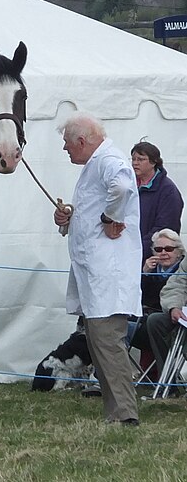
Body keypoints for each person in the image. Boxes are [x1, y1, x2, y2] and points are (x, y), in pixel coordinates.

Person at [53, 112, 141, 426]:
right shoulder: (96, 163)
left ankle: (124, 414)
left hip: (108, 275)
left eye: (67, 144)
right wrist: (70, 217)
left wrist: (108, 218)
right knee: (98, 343)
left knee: (107, 344)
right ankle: (115, 412)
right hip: (95, 276)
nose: (65, 150)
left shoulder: (109, 160)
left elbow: (123, 188)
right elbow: (100, 202)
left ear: (81, 141)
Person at [127, 229, 185, 380]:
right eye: (158, 249)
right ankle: (108, 379)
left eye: (169, 249)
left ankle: (166, 380)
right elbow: (131, 297)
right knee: (114, 326)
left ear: (179, 252)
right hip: (142, 320)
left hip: (165, 323)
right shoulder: (149, 269)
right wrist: (144, 274)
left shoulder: (181, 268)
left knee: (153, 321)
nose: (163, 253)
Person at [131, 141, 183, 266]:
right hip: (127, 252)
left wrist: (136, 249)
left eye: (141, 159)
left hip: (151, 259)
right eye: (133, 159)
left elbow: (165, 227)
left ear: (154, 162)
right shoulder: (128, 185)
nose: (135, 163)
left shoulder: (168, 191)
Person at [146, 254, 187, 384]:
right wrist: (174, 307)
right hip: (184, 315)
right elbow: (177, 285)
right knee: (155, 321)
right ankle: (169, 381)